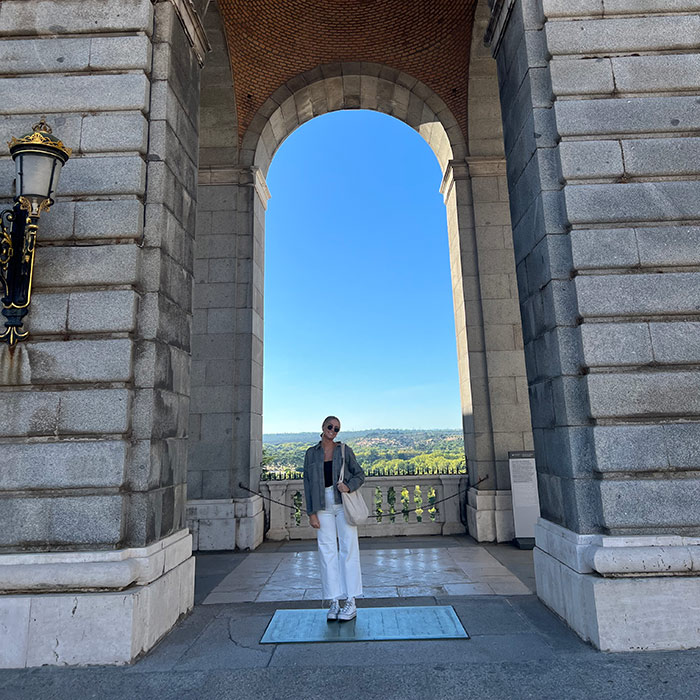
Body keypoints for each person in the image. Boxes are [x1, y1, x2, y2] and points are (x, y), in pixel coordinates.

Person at [303, 415, 365, 621]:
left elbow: (360, 475)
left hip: (342, 503)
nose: (333, 430)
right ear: (322, 427)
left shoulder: (345, 450)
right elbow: (307, 484)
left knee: (348, 549)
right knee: (326, 551)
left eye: (337, 428)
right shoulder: (311, 454)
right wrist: (311, 512)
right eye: (330, 426)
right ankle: (333, 601)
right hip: (322, 505)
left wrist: (348, 486)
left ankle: (351, 601)